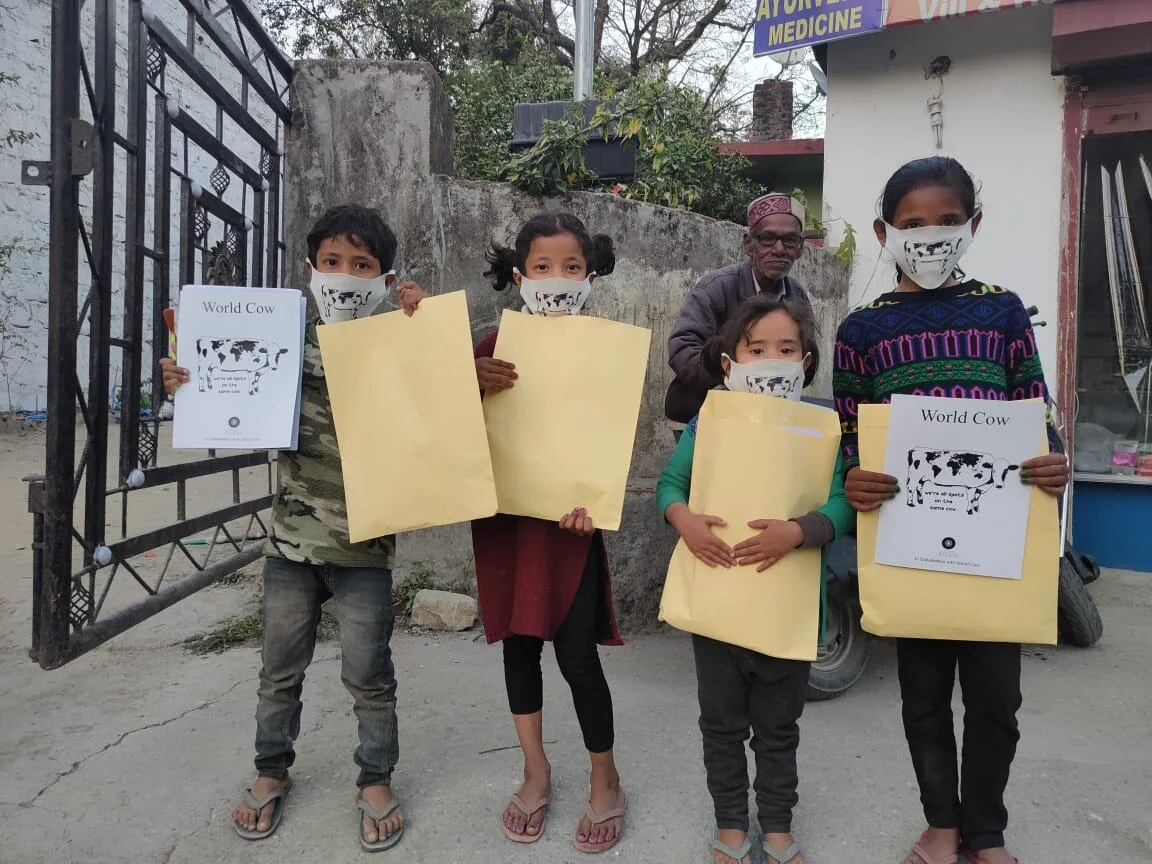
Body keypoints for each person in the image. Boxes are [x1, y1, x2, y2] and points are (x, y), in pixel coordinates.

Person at [160, 204, 427, 852]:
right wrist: (188, 378)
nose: (344, 275)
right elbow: (231, 389)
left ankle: (374, 779)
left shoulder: (398, 344)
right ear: (310, 270)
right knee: (279, 670)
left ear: (385, 280)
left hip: (366, 549)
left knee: (370, 676)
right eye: (332, 262)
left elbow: (436, 402)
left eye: (361, 265)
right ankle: (270, 770)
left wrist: (426, 329)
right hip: (289, 545)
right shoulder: (284, 340)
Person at [832, 157, 1070, 864]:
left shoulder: (1002, 311)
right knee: (924, 696)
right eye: (911, 225)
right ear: (884, 232)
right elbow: (851, 435)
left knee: (997, 702)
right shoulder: (861, 331)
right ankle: (941, 824)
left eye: (946, 222)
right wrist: (855, 480)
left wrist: (1052, 460)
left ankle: (985, 832)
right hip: (912, 540)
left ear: (973, 227)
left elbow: (1036, 413)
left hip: (998, 541)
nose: (929, 236)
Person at [656, 294, 854, 864]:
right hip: (718, 608)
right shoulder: (708, 422)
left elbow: (842, 503)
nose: (772, 360)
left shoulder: (823, 429)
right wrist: (684, 519)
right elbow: (671, 484)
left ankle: (778, 828)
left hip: (785, 610)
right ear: (730, 363)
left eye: (786, 349)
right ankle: (731, 827)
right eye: (757, 348)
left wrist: (800, 531)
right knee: (720, 725)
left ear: (806, 361)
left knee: (778, 728)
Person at [471, 212, 628, 854]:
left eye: (571, 268)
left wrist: (596, 497)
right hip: (508, 523)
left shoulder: (606, 351)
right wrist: (464, 384)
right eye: (543, 268)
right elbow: (436, 428)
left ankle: (605, 779)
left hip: (570, 530)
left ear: (590, 277)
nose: (557, 280)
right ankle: (535, 771)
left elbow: (608, 442)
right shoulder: (489, 347)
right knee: (518, 647)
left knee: (576, 655)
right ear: (519, 276)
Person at [665, 192, 814, 438]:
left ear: (800, 248)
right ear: (748, 244)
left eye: (790, 240)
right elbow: (682, 348)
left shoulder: (796, 295)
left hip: (768, 414)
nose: (778, 249)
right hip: (701, 412)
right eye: (767, 239)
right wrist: (735, 380)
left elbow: (804, 357)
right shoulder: (717, 287)